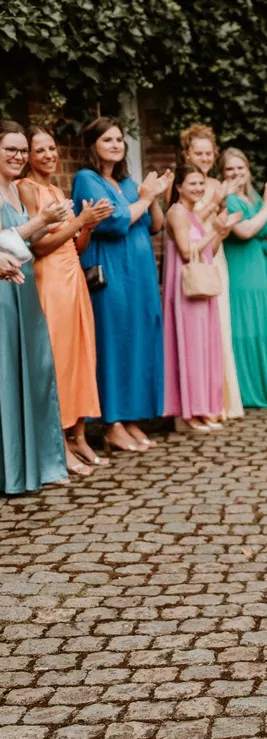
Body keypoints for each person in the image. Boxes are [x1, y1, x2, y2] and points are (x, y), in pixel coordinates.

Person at [72, 117, 173, 453]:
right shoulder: (87, 179)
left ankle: (132, 418)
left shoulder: (127, 183)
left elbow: (154, 225)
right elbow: (113, 222)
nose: (116, 145)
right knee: (114, 343)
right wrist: (144, 198)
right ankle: (112, 423)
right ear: (92, 146)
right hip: (112, 273)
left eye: (119, 139)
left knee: (141, 340)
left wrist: (153, 197)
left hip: (140, 275)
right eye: (108, 140)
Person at [17, 126, 114, 475]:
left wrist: (87, 226)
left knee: (82, 355)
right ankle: (58, 441)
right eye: (39, 150)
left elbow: (75, 246)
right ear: (28, 155)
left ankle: (79, 435)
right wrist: (79, 222)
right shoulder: (26, 189)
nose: (48, 155)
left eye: (51, 148)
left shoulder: (56, 189)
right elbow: (38, 246)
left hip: (74, 279)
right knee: (59, 360)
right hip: (50, 282)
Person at [0, 120, 71, 493]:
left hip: (25, 291)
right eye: (10, 148)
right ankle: (10, 469)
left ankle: (41, 463)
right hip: (2, 293)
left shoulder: (15, 189)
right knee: (7, 374)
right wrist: (39, 222)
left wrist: (59, 221)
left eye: (22, 150)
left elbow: (25, 241)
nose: (19, 156)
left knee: (37, 371)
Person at [163, 164, 240, 433]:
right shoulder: (177, 213)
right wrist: (213, 229)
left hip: (202, 288)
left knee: (205, 348)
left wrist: (219, 231)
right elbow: (187, 251)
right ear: (179, 187)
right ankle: (186, 414)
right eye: (192, 183)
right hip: (186, 292)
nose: (198, 188)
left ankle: (202, 408)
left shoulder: (193, 213)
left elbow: (209, 250)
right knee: (191, 349)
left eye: (200, 184)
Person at [182, 123, 244, 423]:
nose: (204, 158)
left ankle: (222, 401)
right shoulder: (186, 185)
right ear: (187, 153)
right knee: (199, 334)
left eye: (208, 153)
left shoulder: (220, 185)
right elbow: (188, 221)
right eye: (198, 152)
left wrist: (225, 224)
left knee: (220, 328)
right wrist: (218, 202)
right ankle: (200, 404)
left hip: (215, 256)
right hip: (192, 259)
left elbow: (219, 228)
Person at [220, 148, 267, 409]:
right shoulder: (227, 201)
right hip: (240, 270)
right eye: (230, 169)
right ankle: (246, 392)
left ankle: (266, 387)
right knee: (243, 327)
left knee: (263, 327)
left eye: (240, 168)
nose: (236, 173)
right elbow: (245, 231)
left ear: (248, 169)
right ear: (223, 174)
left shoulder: (254, 197)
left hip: (260, 271)